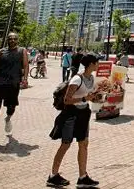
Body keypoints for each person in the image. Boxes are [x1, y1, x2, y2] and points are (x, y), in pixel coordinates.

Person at [47, 53, 100, 188]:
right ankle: (53, 176)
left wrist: (96, 97)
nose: (98, 65)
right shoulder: (77, 79)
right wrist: (84, 99)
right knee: (66, 144)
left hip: (83, 113)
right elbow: (67, 100)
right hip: (70, 115)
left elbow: (87, 96)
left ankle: (83, 177)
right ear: (91, 64)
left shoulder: (91, 78)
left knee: (83, 144)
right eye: (96, 63)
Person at [0, 33, 29, 147]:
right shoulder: (0, 52)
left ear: (17, 40)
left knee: (11, 107)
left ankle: (8, 118)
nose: (12, 40)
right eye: (10, 38)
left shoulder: (22, 51)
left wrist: (25, 79)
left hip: (13, 83)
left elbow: (26, 65)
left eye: (14, 38)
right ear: (7, 40)